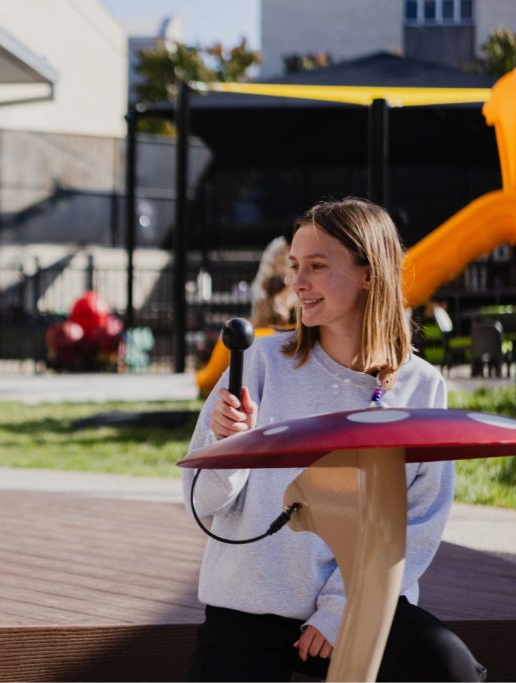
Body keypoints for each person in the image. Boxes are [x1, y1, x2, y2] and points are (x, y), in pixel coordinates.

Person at [184, 198, 486, 682]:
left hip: (364, 603)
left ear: (369, 272)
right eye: (295, 267)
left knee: (450, 669)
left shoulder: (421, 385)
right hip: (249, 608)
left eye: (317, 267)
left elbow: (419, 520)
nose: (297, 283)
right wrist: (228, 449)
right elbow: (203, 505)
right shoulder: (259, 363)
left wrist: (341, 608)